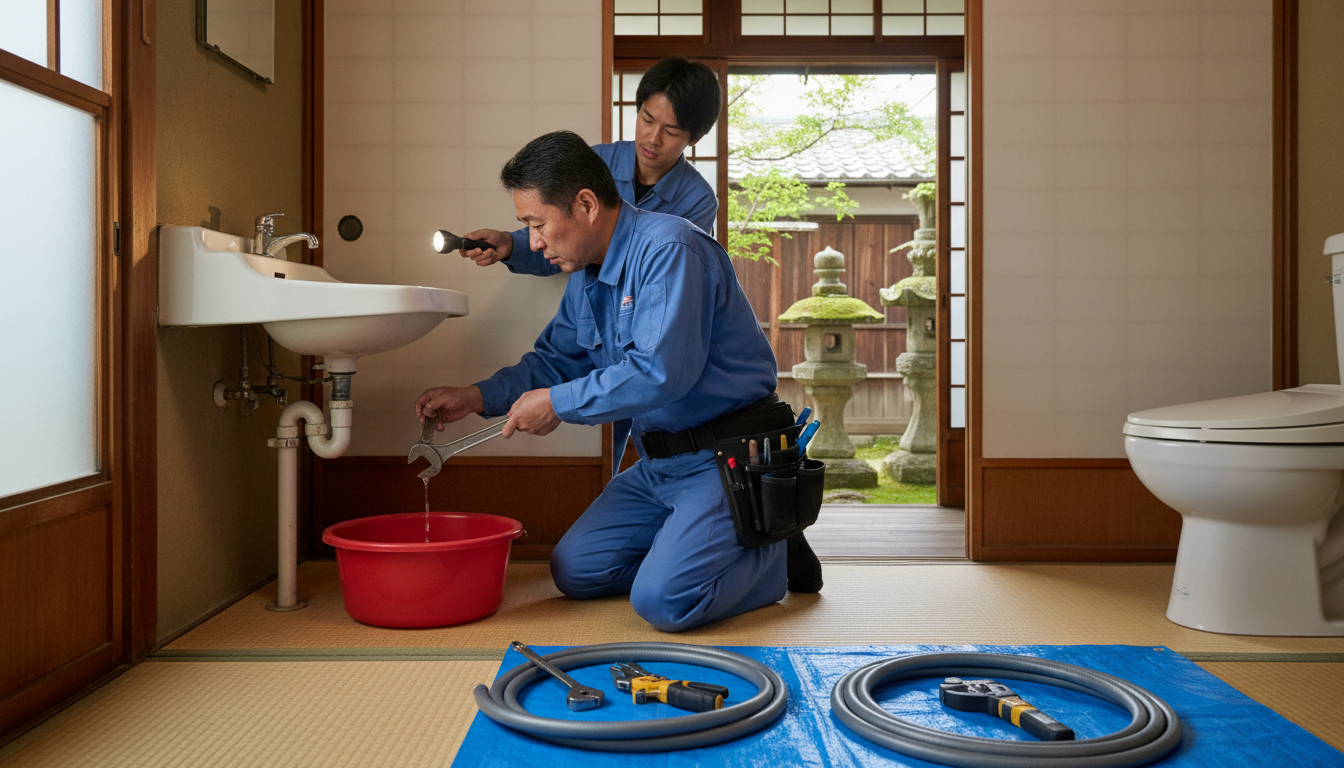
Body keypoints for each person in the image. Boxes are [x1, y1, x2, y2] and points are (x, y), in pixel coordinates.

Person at [415, 131, 822, 633]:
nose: (533, 242)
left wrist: (559, 405)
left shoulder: (671, 250)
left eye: (537, 225)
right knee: (576, 571)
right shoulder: (586, 275)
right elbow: (554, 362)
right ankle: (717, 539)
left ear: (585, 204)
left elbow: (661, 373)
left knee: (665, 603)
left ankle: (771, 553)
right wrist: (475, 396)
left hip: (725, 457)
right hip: (659, 464)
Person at [457, 55, 720, 276]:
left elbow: (672, 272)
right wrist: (511, 244)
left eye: (671, 131)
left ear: (694, 138)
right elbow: (558, 241)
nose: (653, 139)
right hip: (584, 319)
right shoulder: (598, 160)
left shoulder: (699, 200)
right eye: (647, 119)